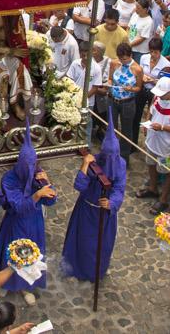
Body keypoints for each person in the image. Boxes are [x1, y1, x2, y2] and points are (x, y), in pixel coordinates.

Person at [0, 121, 55, 305]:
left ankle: (25, 286)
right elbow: (19, 206)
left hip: (35, 222)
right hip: (16, 222)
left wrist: (47, 184)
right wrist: (37, 195)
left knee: (31, 253)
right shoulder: (9, 179)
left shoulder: (38, 174)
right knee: (12, 252)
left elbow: (51, 200)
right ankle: (6, 282)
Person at [62, 111, 127, 281]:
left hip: (105, 214)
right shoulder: (94, 162)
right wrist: (85, 165)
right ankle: (76, 270)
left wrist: (112, 203)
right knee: (83, 243)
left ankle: (98, 271)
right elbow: (79, 185)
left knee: (102, 245)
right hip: (87, 209)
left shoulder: (121, 165)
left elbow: (119, 188)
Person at [137, 76, 170, 213]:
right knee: (151, 163)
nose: (159, 96)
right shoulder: (158, 97)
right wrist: (147, 124)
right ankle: (153, 188)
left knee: (167, 172)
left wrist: (162, 127)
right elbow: (151, 110)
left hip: (167, 147)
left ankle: (163, 199)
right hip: (153, 140)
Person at [107, 42, 143, 165]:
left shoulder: (137, 69)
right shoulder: (114, 63)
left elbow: (139, 87)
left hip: (127, 102)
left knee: (127, 130)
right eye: (121, 59)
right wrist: (109, 83)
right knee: (112, 127)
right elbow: (110, 78)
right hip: (113, 99)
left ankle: (124, 157)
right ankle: (110, 154)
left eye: (125, 59)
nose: (123, 61)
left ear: (130, 55)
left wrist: (131, 89)